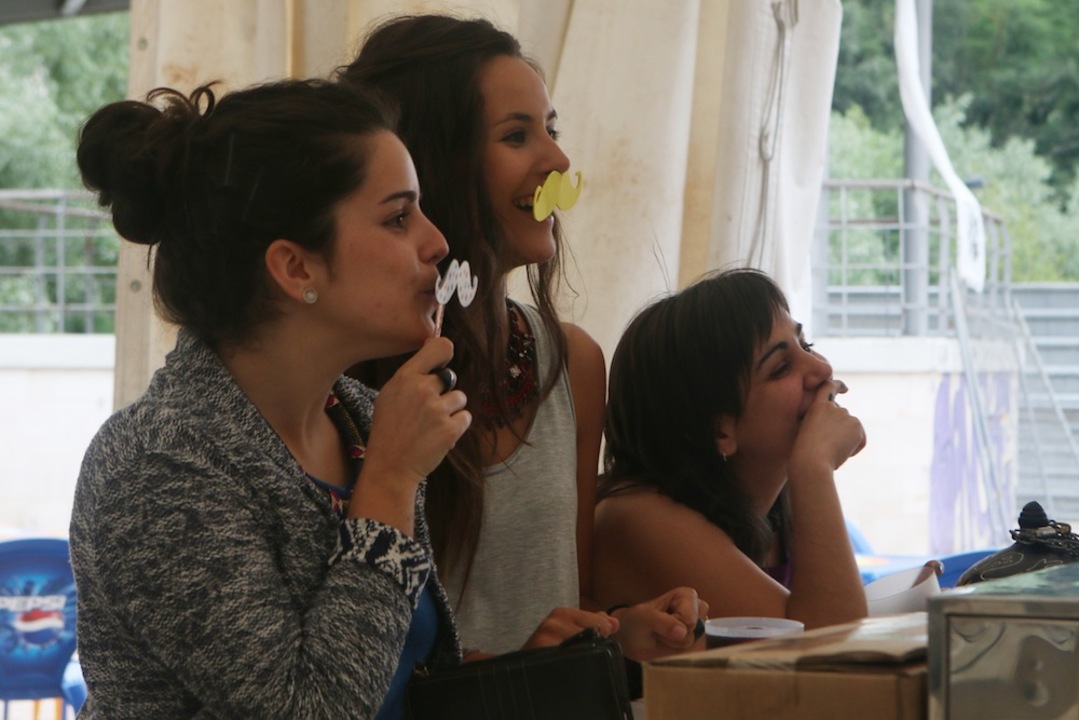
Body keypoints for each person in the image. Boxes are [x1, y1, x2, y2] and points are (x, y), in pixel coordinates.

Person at [70, 78, 472, 718]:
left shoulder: (362, 420)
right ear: (295, 268)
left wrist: (526, 666)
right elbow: (305, 709)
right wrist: (391, 482)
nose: (437, 242)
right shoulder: (157, 462)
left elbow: (386, 673)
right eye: (398, 218)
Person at [337, 13, 703, 658]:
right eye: (516, 136)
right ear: (430, 165)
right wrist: (517, 670)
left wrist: (621, 632)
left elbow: (571, 606)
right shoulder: (342, 381)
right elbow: (351, 666)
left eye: (550, 131)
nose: (557, 160)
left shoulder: (574, 363)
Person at [594, 268, 869, 629]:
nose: (822, 369)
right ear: (719, 431)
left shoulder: (776, 509)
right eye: (781, 367)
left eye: (806, 345)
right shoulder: (638, 517)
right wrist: (815, 467)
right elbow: (831, 644)